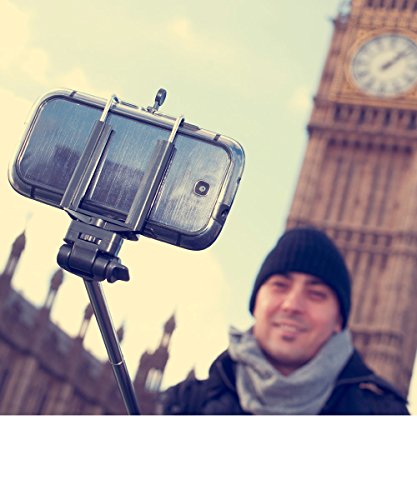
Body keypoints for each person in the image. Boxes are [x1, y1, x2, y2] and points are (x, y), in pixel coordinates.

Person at [162, 227, 409, 415]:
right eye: (280, 286)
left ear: (339, 320)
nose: (291, 305)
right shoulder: (184, 405)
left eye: (316, 294)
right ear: (255, 303)